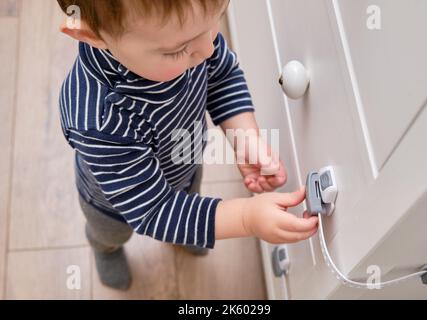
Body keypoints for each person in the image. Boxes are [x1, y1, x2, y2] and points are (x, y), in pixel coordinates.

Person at [56, 0, 318, 290]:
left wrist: (245, 138)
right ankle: (105, 250)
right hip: (112, 204)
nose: (208, 49)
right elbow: (153, 210)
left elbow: (222, 77)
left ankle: (186, 230)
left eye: (214, 21)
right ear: (94, 36)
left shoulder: (190, 33)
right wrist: (246, 218)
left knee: (188, 203)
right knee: (111, 234)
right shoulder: (98, 116)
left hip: (185, 163)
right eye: (177, 50)